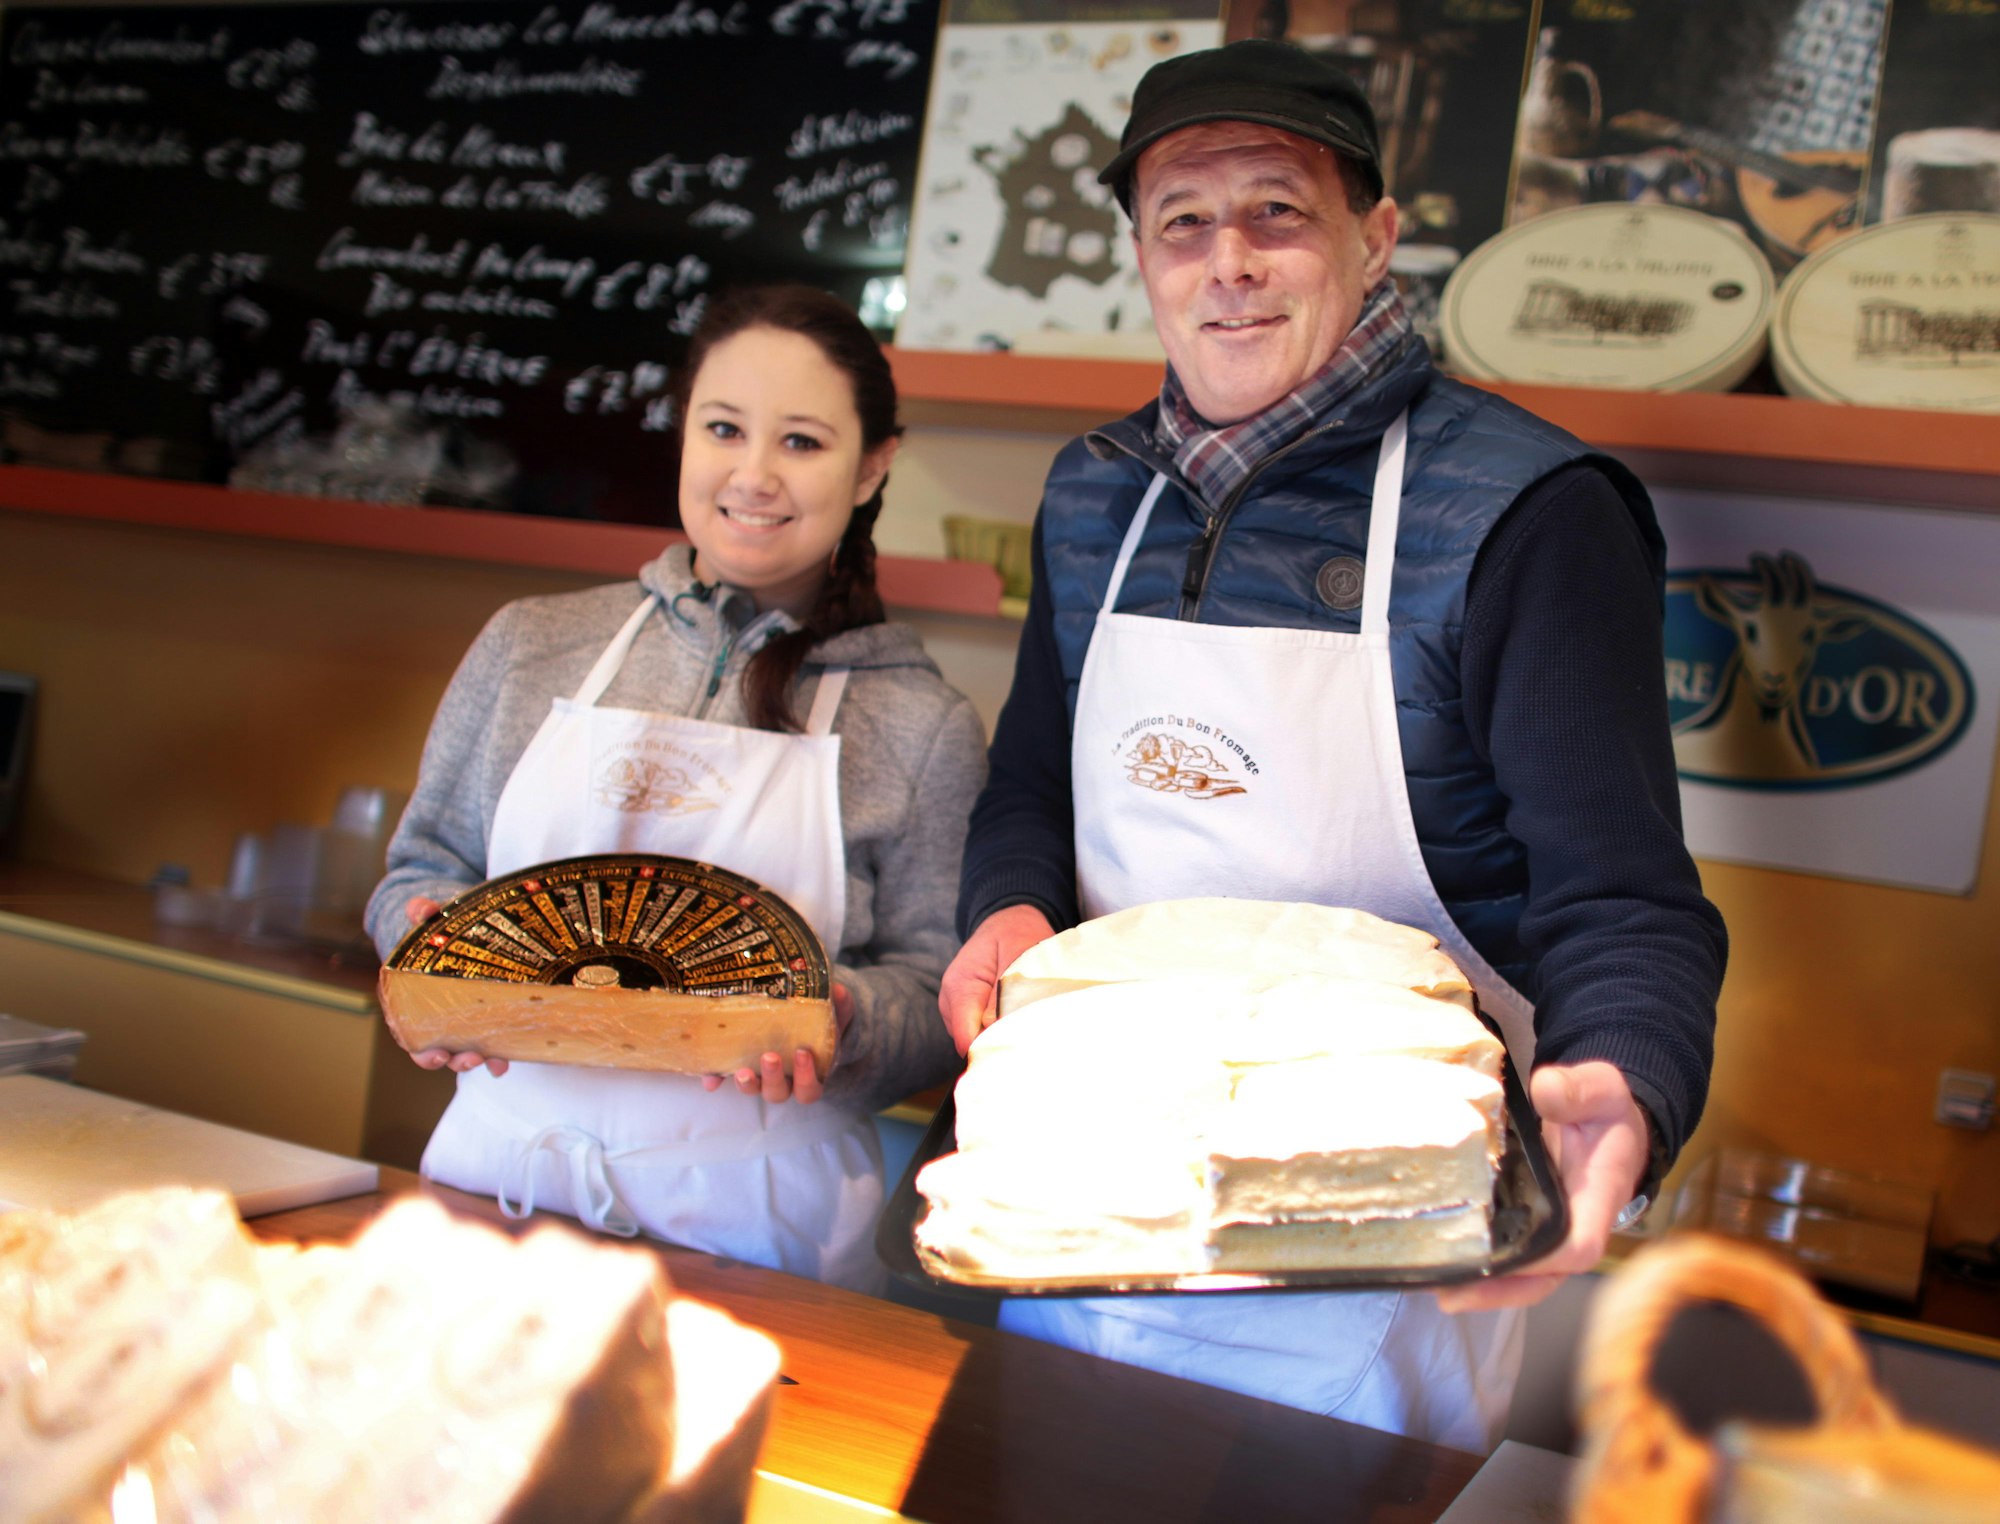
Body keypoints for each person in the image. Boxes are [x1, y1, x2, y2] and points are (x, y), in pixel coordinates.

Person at [938, 40, 1726, 1451]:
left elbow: (1624, 901)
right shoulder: (1094, 494)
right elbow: (1029, 785)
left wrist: (1628, 1091)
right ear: (1141, 254)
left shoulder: (1530, 513)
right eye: (1183, 220)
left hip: (1380, 1275)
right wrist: (1007, 903)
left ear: (1375, 240)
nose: (1226, 259)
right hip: (1078, 1214)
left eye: (1276, 211)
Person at [367, 283, 985, 1295]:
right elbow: (420, 867)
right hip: (492, 1190)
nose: (753, 474)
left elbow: (934, 994)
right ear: (682, 435)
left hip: (749, 1234)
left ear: (873, 465)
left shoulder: (919, 723)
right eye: (724, 429)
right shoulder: (531, 644)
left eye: (801, 442)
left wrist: (837, 1020)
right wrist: (426, 942)